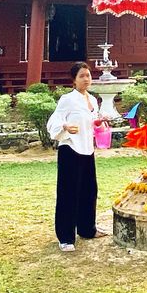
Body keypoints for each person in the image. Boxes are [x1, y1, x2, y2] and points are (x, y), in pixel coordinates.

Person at [46, 61, 109, 252]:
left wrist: (99, 121)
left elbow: (90, 123)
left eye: (88, 75)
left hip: (87, 149)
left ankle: (87, 229)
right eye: (81, 76)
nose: (86, 79)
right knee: (68, 194)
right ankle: (65, 237)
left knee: (89, 191)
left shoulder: (92, 100)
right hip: (70, 150)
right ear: (74, 80)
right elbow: (53, 122)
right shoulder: (68, 99)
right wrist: (64, 127)